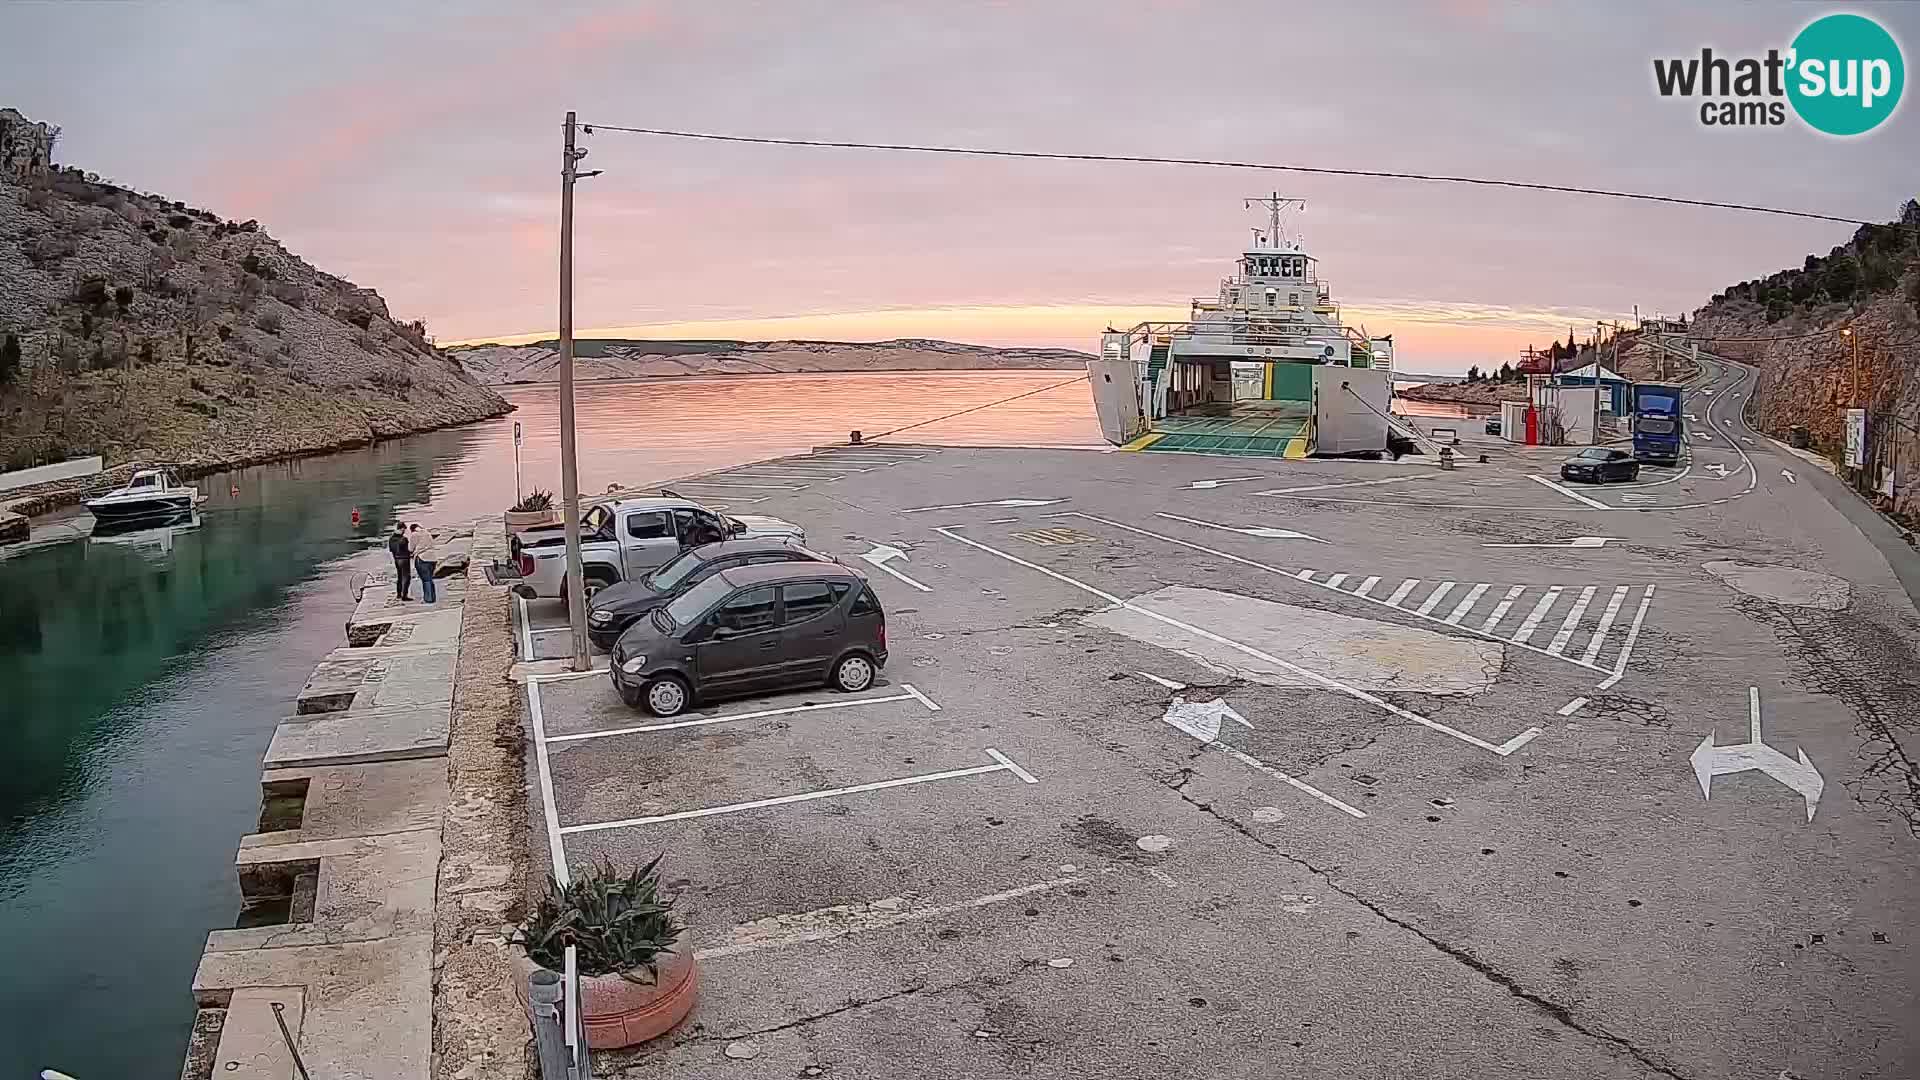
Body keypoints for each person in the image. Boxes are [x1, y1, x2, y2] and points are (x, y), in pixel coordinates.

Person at [410, 524, 439, 604]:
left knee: (425, 579)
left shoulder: (414, 534)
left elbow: (410, 548)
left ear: (412, 529)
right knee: (430, 578)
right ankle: (433, 597)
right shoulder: (427, 533)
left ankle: (428, 599)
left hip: (422, 558)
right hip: (433, 558)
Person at [388, 522, 413, 600]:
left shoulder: (391, 539)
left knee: (400, 577)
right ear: (402, 529)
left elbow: (391, 550)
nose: (405, 531)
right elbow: (407, 549)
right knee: (407, 577)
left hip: (396, 559)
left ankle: (399, 594)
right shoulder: (404, 539)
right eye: (404, 529)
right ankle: (404, 595)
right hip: (404, 559)